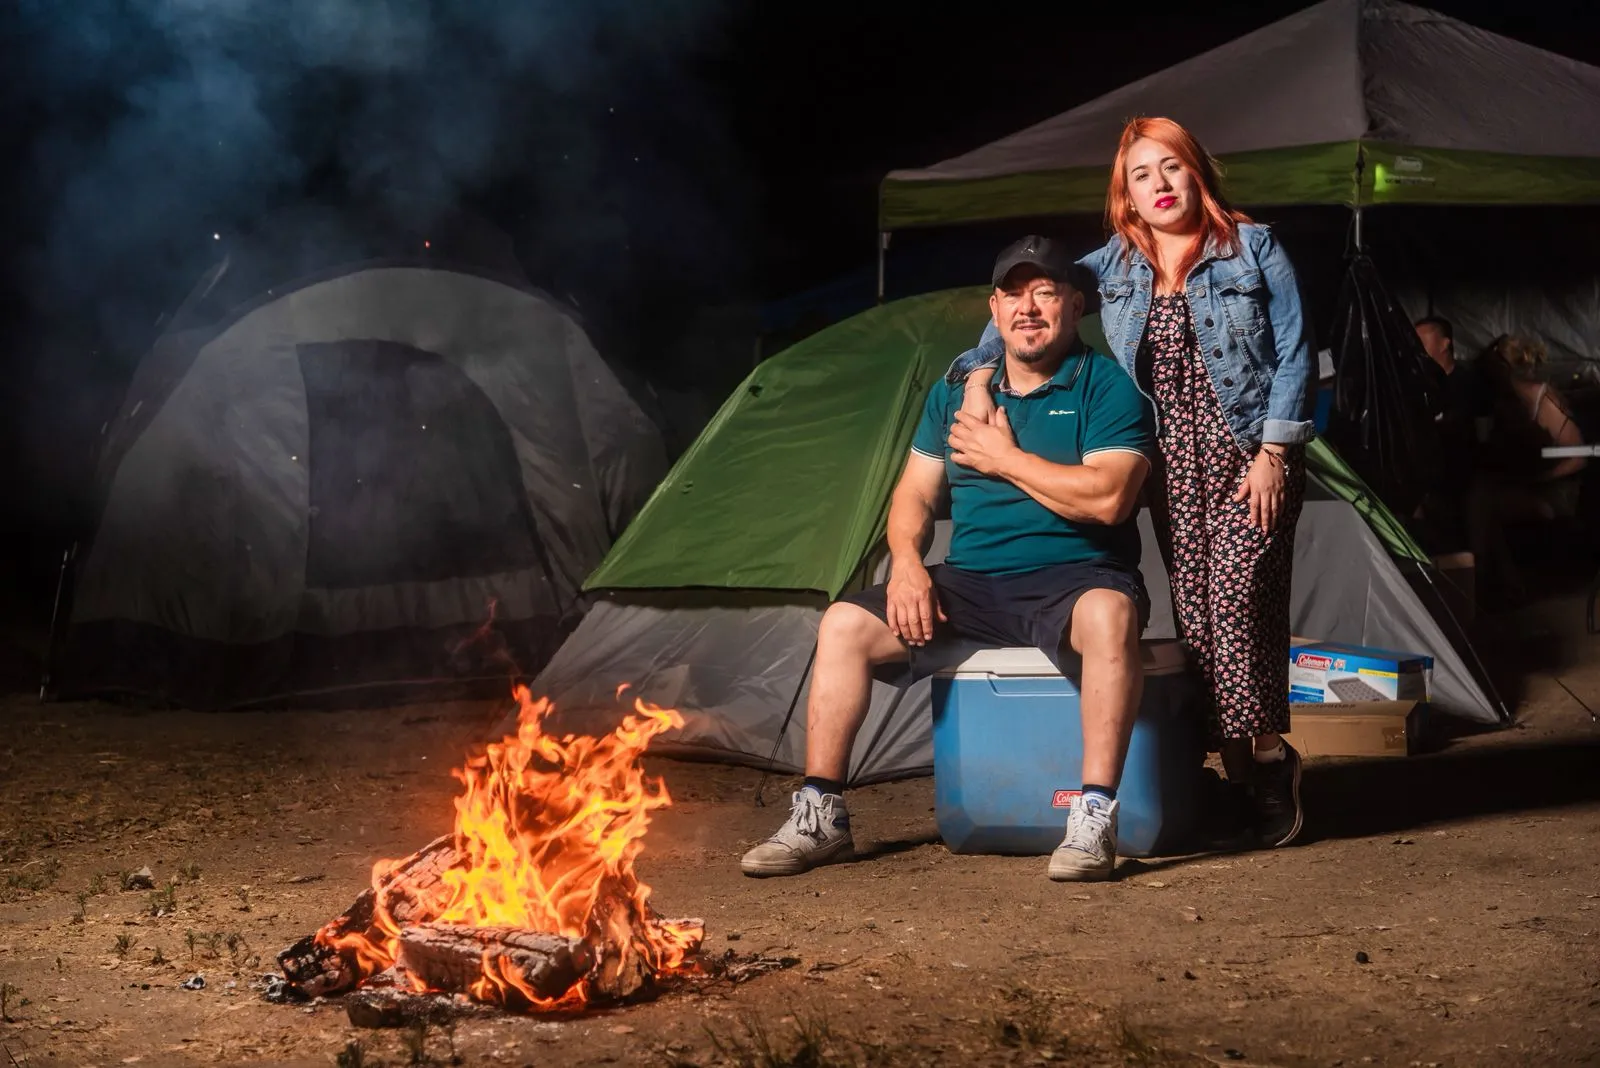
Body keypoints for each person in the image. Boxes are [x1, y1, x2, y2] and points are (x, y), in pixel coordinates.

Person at [945, 116, 1314, 848]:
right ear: (1127, 197)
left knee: (1241, 604)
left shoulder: (1254, 247)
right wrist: (979, 377)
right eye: (1142, 176)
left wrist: (1276, 453)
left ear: (1196, 172)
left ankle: (1273, 762)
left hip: (1248, 456)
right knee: (1200, 622)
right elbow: (1018, 312)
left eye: (1171, 168)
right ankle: (1233, 774)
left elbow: (1298, 355)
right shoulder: (1109, 267)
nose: (1160, 185)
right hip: (1166, 467)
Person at [740, 236, 1156, 883]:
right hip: (972, 585)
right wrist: (907, 560)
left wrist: (1002, 459)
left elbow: (1107, 501)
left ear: (1076, 304)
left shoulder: (1109, 388)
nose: (1028, 308)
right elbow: (912, 493)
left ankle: (1093, 816)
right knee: (844, 625)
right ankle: (822, 813)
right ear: (994, 310)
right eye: (1013, 294)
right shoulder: (954, 393)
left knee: (1110, 615)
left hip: (1075, 579)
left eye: (1045, 292)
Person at [1467, 334, 1587, 604]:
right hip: (1528, 484)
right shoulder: (1509, 402)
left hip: (1558, 492)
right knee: (1481, 490)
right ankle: (1494, 580)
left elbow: (1579, 456)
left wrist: (1539, 479)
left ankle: (1492, 581)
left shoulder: (1545, 403)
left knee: (1484, 503)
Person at [1412, 315, 1485, 550]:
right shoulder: (1417, 386)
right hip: (1434, 480)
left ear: (1445, 344)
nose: (1417, 348)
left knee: (1475, 540)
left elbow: (1480, 429)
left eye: (1422, 341)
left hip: (1468, 477)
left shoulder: (1467, 382)